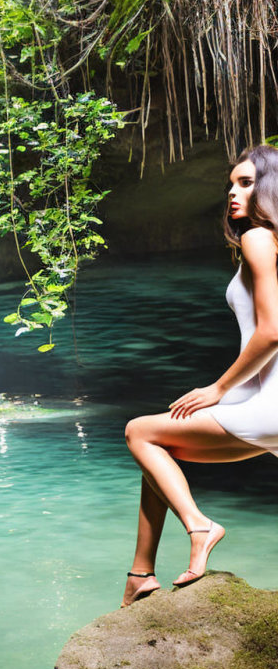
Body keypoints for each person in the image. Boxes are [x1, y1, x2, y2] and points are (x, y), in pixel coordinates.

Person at [121, 144, 278, 608]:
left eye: (246, 183)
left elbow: (271, 333)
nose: (232, 192)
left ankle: (200, 525)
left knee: (139, 433)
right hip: (264, 400)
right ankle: (139, 575)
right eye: (231, 183)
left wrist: (217, 389)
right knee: (158, 450)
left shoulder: (257, 238)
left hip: (270, 403)